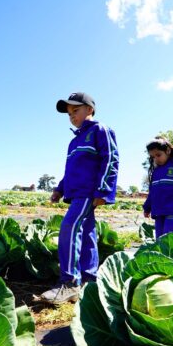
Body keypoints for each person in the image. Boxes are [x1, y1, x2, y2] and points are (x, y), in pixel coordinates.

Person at [38, 92, 119, 304]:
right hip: (76, 193)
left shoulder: (100, 130)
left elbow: (110, 159)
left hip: (89, 192)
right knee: (87, 233)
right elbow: (71, 170)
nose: (72, 116)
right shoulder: (74, 142)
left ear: (89, 109)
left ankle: (69, 283)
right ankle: (88, 280)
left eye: (76, 110)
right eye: (69, 113)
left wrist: (103, 190)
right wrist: (59, 189)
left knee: (69, 227)